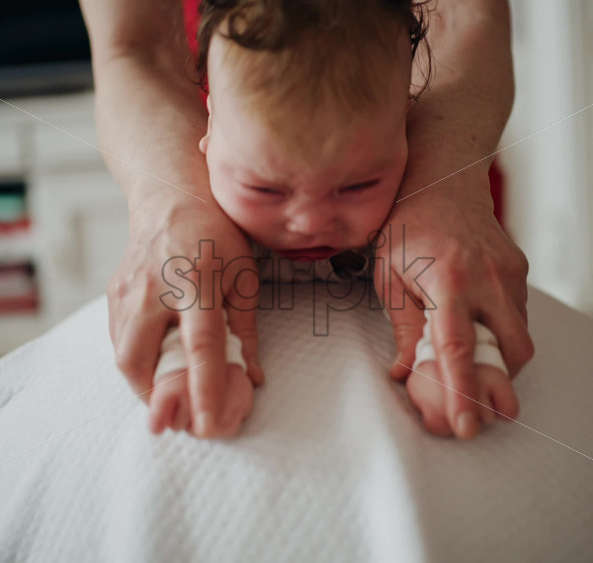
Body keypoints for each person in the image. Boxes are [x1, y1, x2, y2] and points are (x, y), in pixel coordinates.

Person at [78, 0, 534, 440]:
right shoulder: (211, 233)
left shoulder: (411, 217)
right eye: (267, 189)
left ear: (408, 128)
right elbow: (134, 47)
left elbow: (451, 305)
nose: (311, 221)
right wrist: (190, 368)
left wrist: (455, 359)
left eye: (357, 186)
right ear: (208, 133)